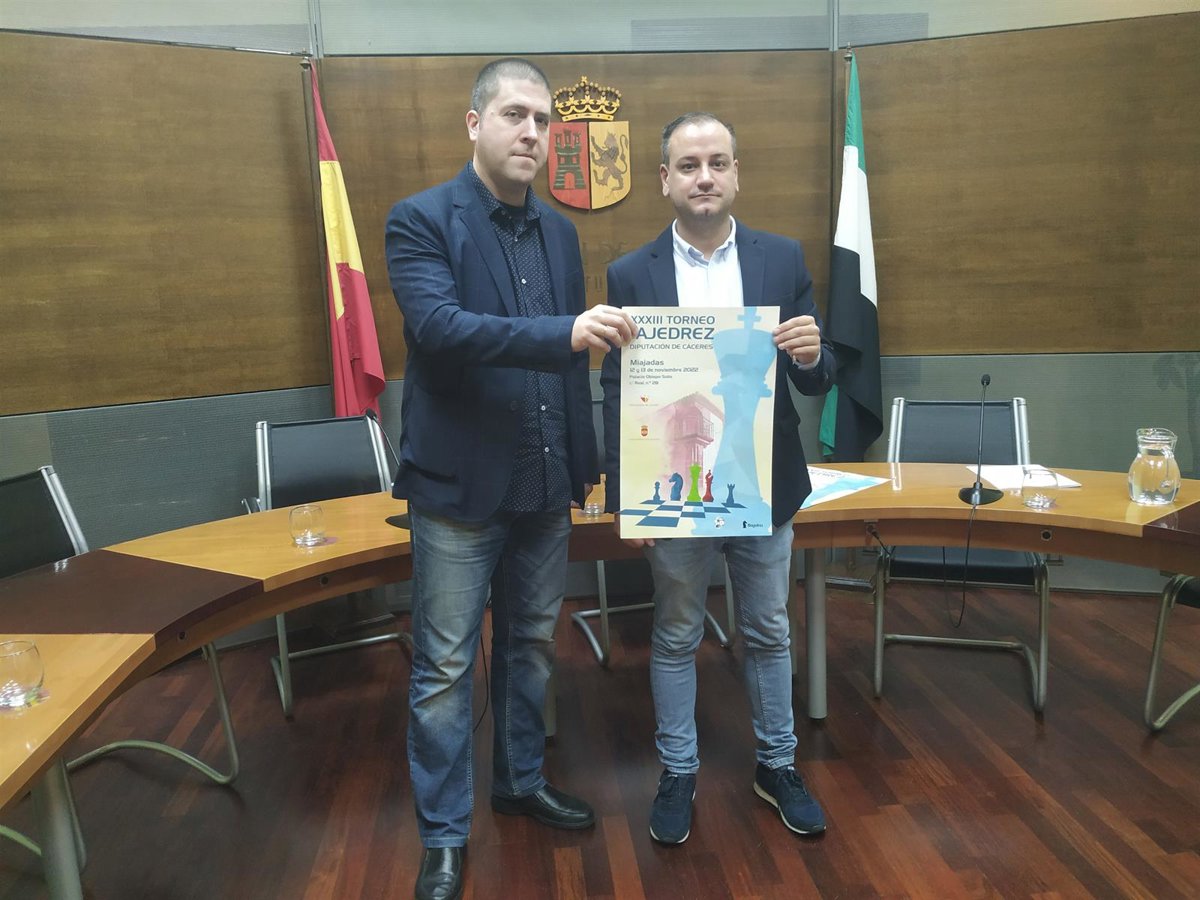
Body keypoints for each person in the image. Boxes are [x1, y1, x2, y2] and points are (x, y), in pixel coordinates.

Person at [385, 58, 638, 900]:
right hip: (459, 490)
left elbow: (574, 365)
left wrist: (587, 466)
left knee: (531, 647)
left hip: (545, 484)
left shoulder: (560, 233)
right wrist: (562, 332)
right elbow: (441, 329)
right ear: (475, 124)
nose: (532, 131)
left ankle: (520, 782)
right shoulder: (421, 219)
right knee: (444, 670)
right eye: (514, 114)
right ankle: (444, 836)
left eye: (542, 119)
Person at [600, 112, 836, 845]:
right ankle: (678, 772)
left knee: (768, 629)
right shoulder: (631, 273)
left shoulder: (782, 258)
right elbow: (617, 386)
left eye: (718, 163)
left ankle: (778, 765)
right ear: (664, 179)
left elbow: (818, 373)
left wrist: (811, 355)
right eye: (688, 165)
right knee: (675, 632)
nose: (704, 177)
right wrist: (625, 495)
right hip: (675, 485)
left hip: (763, 481)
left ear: (737, 174)